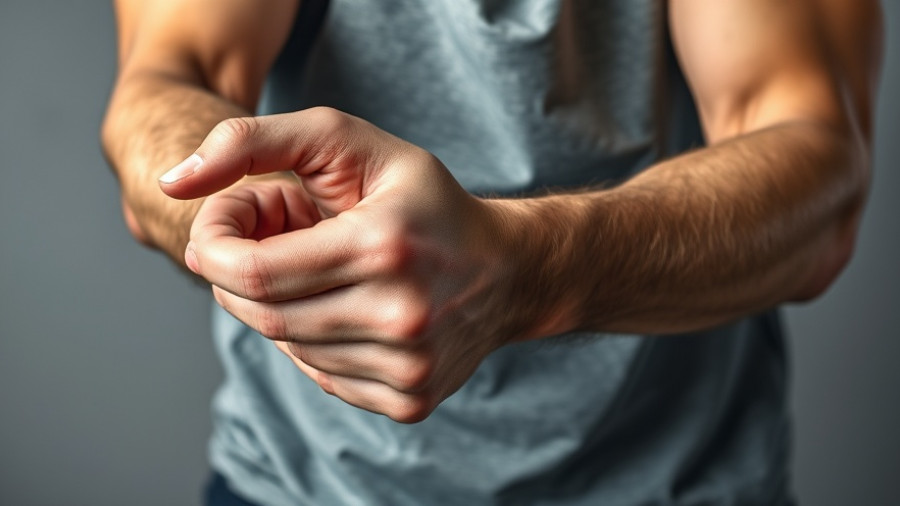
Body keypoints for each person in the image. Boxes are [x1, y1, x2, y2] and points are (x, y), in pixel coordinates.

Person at [101, 0, 883, 504]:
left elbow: (813, 162)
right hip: (301, 486)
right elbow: (170, 77)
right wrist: (252, 223)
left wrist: (529, 271)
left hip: (681, 485)